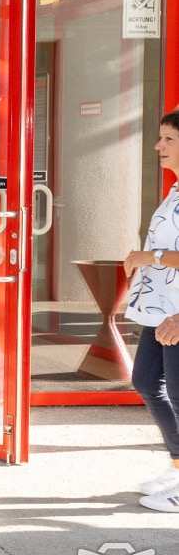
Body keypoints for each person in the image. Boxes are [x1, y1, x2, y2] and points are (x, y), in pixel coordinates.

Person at [122, 111, 179, 513]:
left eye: (168, 139)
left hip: (176, 312)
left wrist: (149, 256)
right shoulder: (174, 190)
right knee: (146, 381)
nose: (158, 146)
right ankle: (177, 465)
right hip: (159, 308)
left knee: (177, 391)